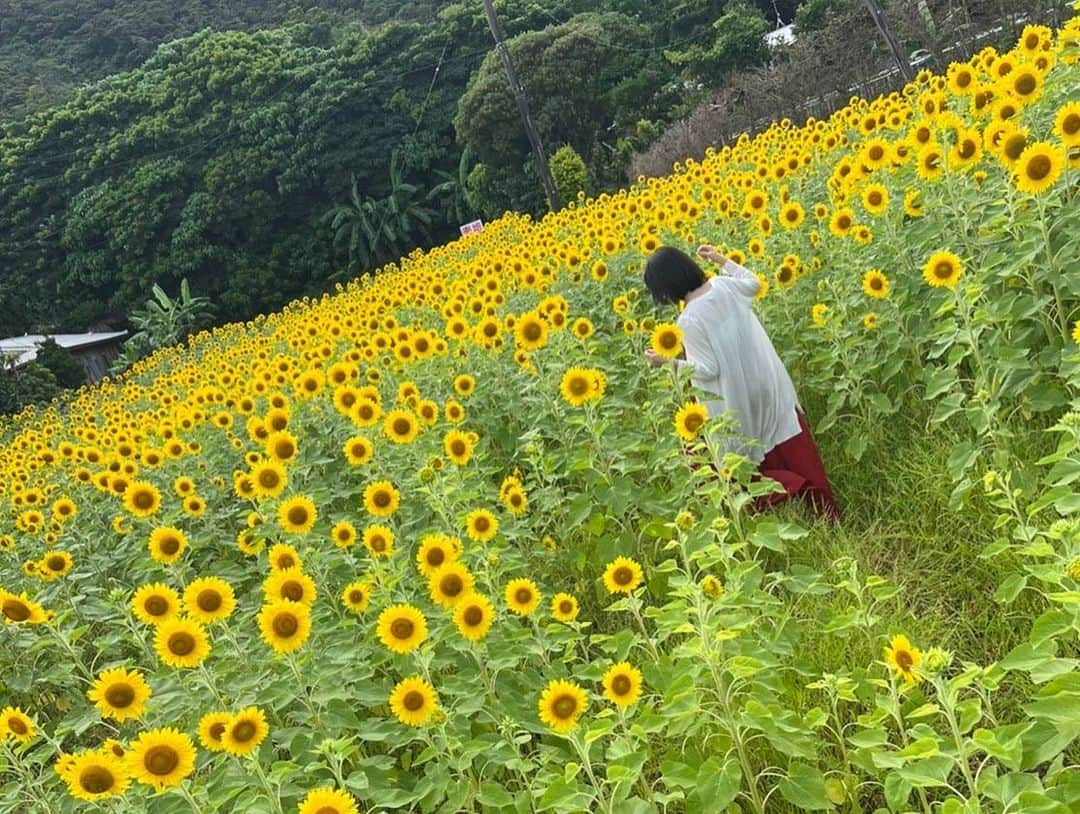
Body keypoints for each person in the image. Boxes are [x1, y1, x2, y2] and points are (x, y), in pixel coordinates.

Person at [643, 244, 841, 522]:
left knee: (742, 464)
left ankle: (792, 489)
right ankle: (822, 507)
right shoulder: (724, 285)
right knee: (785, 440)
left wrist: (666, 363)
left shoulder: (688, 319)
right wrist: (720, 259)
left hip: (737, 397)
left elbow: (707, 370)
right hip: (767, 382)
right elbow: (753, 282)